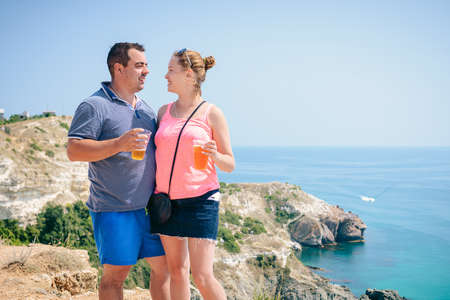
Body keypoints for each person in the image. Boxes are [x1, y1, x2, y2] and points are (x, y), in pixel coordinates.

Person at [66, 42, 170, 300]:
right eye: (139, 65)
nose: (146, 71)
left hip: (151, 209)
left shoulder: (145, 109)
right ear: (118, 68)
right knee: (115, 277)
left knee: (164, 269)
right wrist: (118, 144)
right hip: (114, 209)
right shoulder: (94, 105)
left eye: (146, 65)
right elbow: (74, 150)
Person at [151, 48, 235, 300]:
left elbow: (229, 163)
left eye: (171, 70)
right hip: (166, 203)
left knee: (202, 275)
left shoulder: (212, 113)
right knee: (177, 271)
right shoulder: (162, 112)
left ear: (189, 75)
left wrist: (215, 155)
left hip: (201, 201)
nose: (165, 76)